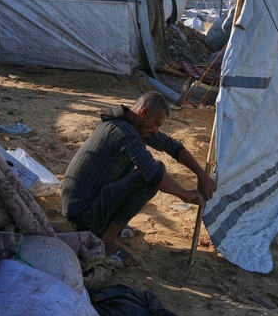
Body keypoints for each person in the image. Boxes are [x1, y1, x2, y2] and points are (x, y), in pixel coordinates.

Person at [60, 92, 216, 257]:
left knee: (149, 172)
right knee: (150, 175)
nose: (156, 129)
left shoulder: (132, 125)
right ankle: (107, 238)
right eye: (156, 123)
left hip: (86, 208)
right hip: (83, 217)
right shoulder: (123, 131)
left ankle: (108, 228)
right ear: (143, 113)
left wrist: (202, 175)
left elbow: (171, 146)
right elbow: (152, 173)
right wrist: (184, 194)